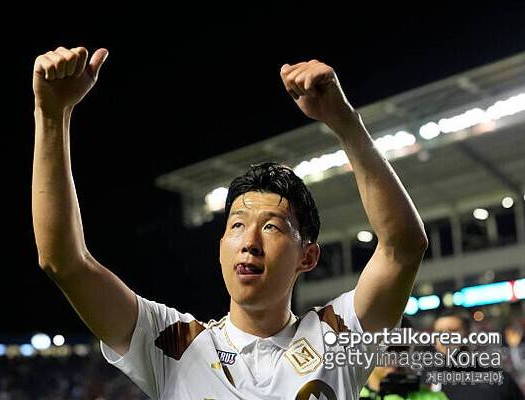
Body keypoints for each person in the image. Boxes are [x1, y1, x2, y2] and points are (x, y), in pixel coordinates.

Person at [32, 46, 428, 399]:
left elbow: (403, 248)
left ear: (307, 257)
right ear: (221, 248)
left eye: (272, 226)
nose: (249, 241)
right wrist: (51, 117)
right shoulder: (172, 343)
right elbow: (64, 262)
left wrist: (345, 122)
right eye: (237, 226)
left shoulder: (337, 337)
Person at [431, 310, 524, 400]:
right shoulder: (429, 383)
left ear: (468, 335)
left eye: (453, 331)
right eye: (439, 332)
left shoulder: (498, 379)